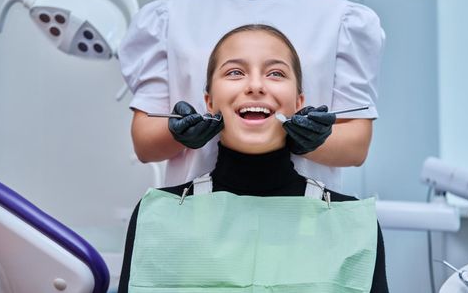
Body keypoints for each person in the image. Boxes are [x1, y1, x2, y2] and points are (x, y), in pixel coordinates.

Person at [118, 24, 388, 292]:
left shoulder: (352, 228)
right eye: (235, 72)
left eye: (275, 73)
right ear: (209, 102)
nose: (256, 85)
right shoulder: (159, 219)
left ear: (298, 101)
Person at [118, 0, 385, 191]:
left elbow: (356, 147)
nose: (255, 86)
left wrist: (307, 140)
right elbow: (145, 145)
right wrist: (179, 134)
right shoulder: (169, 19)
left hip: (305, 224)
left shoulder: (341, 20)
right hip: (198, 223)